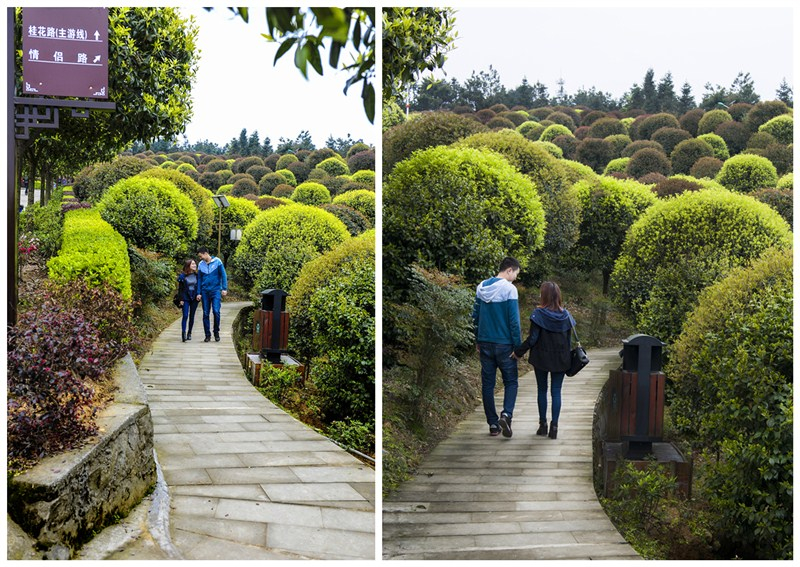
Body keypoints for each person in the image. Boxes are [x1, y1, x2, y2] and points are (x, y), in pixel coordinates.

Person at [513, 281, 575, 440]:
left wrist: (518, 352)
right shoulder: (566, 315)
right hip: (561, 359)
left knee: (542, 390)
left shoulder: (539, 314)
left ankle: (543, 425)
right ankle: (554, 427)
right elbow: (569, 342)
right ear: (558, 296)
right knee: (556, 392)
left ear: (544, 295)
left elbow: (532, 339)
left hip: (541, 358)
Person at [472, 256, 522, 438]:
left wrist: (477, 339)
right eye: (515, 273)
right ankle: (506, 414)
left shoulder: (481, 287)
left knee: (488, 384)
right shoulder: (510, 290)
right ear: (509, 270)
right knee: (511, 382)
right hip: (505, 345)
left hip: (485, 342)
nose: (515, 277)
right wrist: (518, 347)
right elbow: (514, 322)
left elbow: (475, 316)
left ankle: (493, 425)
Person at [196, 246, 228, 342]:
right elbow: (199, 279)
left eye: (200, 255)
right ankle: (207, 335)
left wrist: (224, 288)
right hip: (205, 291)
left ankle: (216, 332)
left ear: (205, 253)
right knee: (205, 313)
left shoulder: (217, 261)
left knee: (216, 311)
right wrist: (199, 292)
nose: (200, 258)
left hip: (215, 291)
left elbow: (223, 275)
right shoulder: (201, 264)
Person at [177, 259, 200, 342]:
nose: (195, 265)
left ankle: (189, 333)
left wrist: (198, 294)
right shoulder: (182, 276)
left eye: (195, 264)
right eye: (193, 264)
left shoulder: (197, 276)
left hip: (194, 298)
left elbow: (199, 287)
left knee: (192, 316)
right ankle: (183, 333)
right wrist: (180, 299)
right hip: (185, 298)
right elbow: (180, 289)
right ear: (188, 265)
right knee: (185, 315)